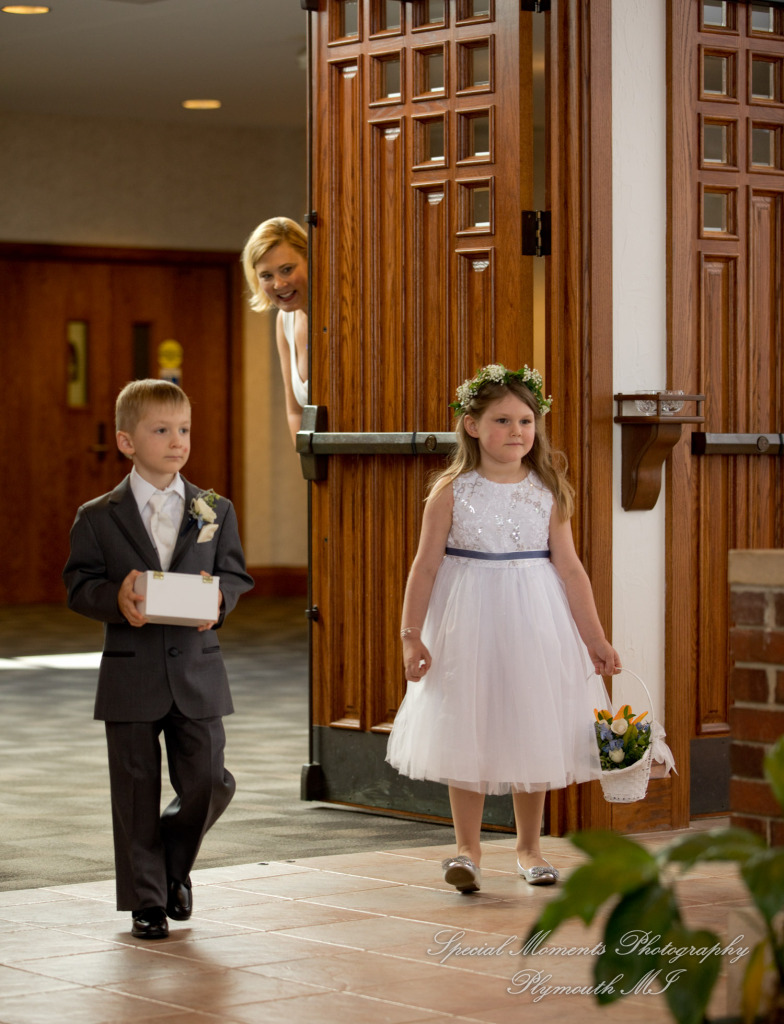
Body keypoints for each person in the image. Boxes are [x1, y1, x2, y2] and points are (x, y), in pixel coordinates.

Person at [386, 364, 621, 894]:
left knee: (530, 721)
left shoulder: (546, 489)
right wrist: (410, 633)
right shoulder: (451, 490)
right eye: (502, 420)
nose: (516, 431)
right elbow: (424, 566)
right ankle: (467, 849)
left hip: (535, 617)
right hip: (467, 618)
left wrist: (596, 640)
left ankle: (528, 847)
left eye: (526, 420)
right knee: (465, 720)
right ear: (471, 425)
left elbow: (570, 568)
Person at [63, 379, 254, 939]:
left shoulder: (214, 508)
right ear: (126, 441)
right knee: (134, 787)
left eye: (185, 430)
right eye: (162, 430)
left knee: (208, 780)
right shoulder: (98, 516)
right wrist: (115, 599)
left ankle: (172, 865)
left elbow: (236, 574)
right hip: (131, 669)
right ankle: (146, 900)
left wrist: (219, 599)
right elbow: (79, 585)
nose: (177, 442)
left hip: (197, 668)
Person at [241, 217, 309, 445]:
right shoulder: (284, 320)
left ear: (310, 260)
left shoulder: (341, 315)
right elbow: (295, 411)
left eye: (287, 270)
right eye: (267, 276)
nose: (279, 284)